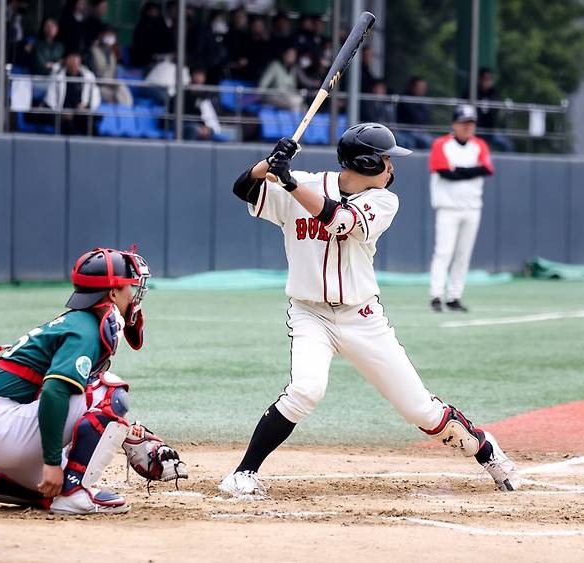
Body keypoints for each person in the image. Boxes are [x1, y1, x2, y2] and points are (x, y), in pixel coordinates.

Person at [219, 124, 519, 498]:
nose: (391, 167)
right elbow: (243, 189)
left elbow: (339, 221)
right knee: (305, 390)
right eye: (386, 158)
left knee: (420, 410)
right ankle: (244, 472)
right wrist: (268, 165)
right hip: (310, 314)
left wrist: (291, 183)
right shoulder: (308, 182)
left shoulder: (382, 201)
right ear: (366, 161)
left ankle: (486, 450)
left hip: (362, 318)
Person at [0, 248, 187, 514]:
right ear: (112, 293)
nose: (133, 295)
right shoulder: (84, 329)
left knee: (51, 491)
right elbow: (54, 392)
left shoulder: (74, 322)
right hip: (7, 429)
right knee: (110, 392)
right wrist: (52, 462)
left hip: (1, 429)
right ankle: (75, 492)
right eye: (128, 287)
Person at [428, 104, 494, 312]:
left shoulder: (480, 145)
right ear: (454, 124)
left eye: (471, 123)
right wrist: (470, 170)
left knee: (463, 254)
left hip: (472, 208)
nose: (467, 127)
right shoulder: (441, 144)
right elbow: (445, 172)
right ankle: (436, 295)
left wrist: (459, 169)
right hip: (447, 207)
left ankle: (455, 296)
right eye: (464, 123)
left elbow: (486, 169)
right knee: (443, 252)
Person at [45, 49, 101, 135]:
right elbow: (50, 99)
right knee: (69, 127)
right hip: (63, 113)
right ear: (66, 61)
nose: (74, 63)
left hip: (81, 112)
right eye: (72, 59)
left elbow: (95, 96)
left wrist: (86, 106)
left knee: (92, 127)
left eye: (76, 60)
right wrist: (62, 111)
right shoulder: (57, 76)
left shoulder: (88, 76)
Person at [90, 26, 133, 107]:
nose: (111, 37)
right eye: (109, 34)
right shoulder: (92, 51)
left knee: (123, 90)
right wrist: (105, 83)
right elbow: (91, 75)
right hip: (98, 86)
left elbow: (114, 73)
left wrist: (112, 83)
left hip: (111, 84)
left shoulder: (112, 53)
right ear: (101, 35)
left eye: (113, 35)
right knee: (111, 97)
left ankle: (128, 112)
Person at [258, 45, 303, 113]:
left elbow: (293, 86)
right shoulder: (274, 65)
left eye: (294, 55)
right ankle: (295, 123)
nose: (292, 57)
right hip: (271, 95)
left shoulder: (293, 68)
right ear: (284, 55)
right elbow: (262, 85)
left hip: (287, 96)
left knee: (303, 105)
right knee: (296, 101)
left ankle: (304, 123)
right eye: (290, 54)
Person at [397, 76, 433, 149]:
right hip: (405, 130)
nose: (422, 89)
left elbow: (426, 117)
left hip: (419, 131)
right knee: (410, 142)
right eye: (420, 86)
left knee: (432, 142)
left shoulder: (423, 100)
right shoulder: (406, 99)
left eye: (424, 87)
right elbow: (414, 116)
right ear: (413, 87)